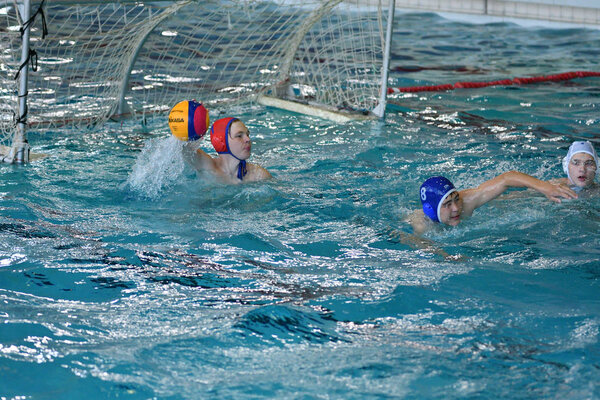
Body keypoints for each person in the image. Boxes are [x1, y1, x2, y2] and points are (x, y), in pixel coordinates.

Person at [408, 171, 577, 234]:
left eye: (456, 199)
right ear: (431, 210)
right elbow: (419, 244)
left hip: (493, 201)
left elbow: (506, 178)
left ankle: (556, 183)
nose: (456, 208)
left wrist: (544, 187)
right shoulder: (422, 224)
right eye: (447, 204)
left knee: (521, 196)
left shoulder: (466, 202)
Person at [183, 117, 272, 183]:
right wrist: (194, 119)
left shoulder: (258, 175)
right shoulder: (207, 166)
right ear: (222, 141)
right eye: (239, 136)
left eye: (247, 134)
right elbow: (182, 146)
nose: (248, 139)